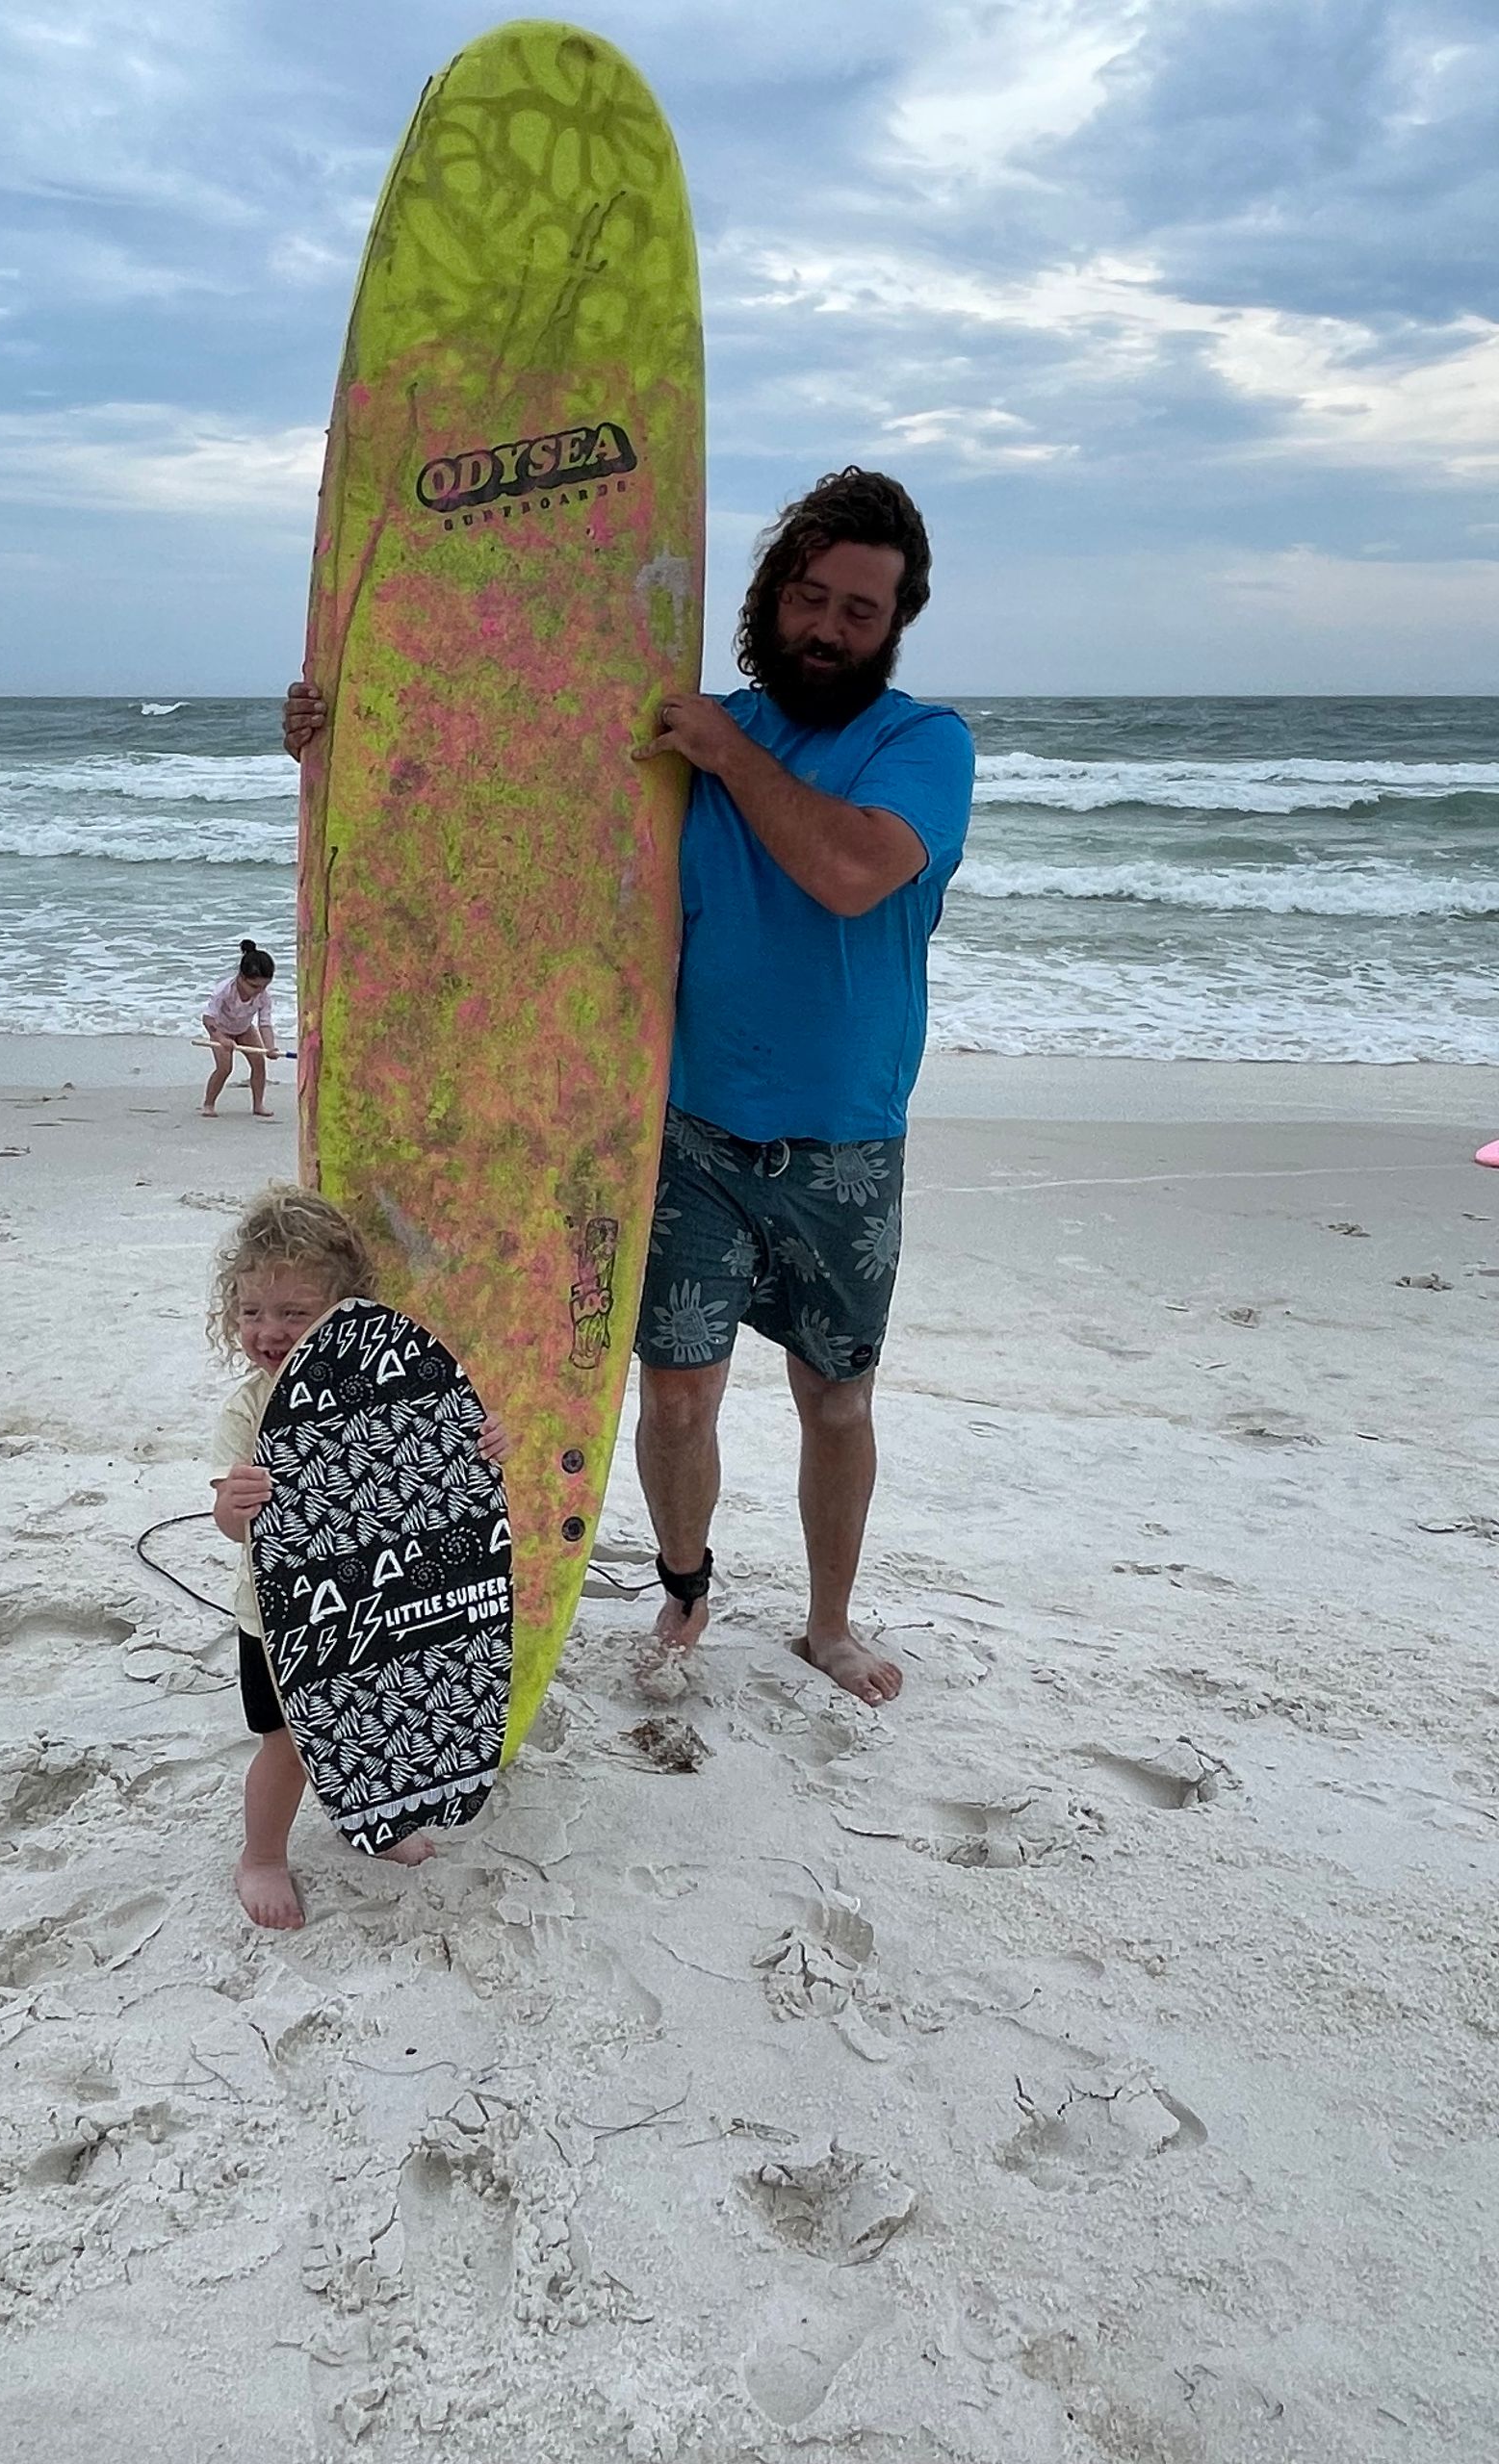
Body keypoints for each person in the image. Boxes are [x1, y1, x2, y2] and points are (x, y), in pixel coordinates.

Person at [282, 466, 972, 1716]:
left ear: (898, 623)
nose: (827, 626)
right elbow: (502, 777)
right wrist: (342, 730)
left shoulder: (921, 744)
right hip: (689, 1130)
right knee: (676, 1392)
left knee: (836, 1398)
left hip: (846, 1143)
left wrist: (727, 756)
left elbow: (856, 869)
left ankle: (827, 1623)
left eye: (860, 610)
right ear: (773, 591)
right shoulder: (691, 725)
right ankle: (687, 1581)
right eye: (810, 595)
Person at [208, 1184, 509, 1930]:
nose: (268, 1331)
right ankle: (263, 1855)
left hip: (379, 1601)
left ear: (345, 1316)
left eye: (293, 1313)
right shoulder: (249, 1410)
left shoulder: (395, 1390)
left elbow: (441, 1487)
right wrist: (235, 1505)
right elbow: (230, 1522)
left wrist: (480, 1448)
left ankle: (372, 1818)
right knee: (290, 1746)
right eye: (251, 1312)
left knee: (376, 1711)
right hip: (283, 1622)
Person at [200, 939, 279, 1118]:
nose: (259, 991)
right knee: (225, 1067)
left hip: (244, 1029)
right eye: (254, 986)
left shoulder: (263, 997)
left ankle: (258, 1105)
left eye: (264, 986)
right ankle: (209, 1103)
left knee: (259, 1063)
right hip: (221, 1029)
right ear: (241, 977)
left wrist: (270, 1047)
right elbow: (208, 1018)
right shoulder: (224, 991)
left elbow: (265, 1023)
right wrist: (220, 1038)